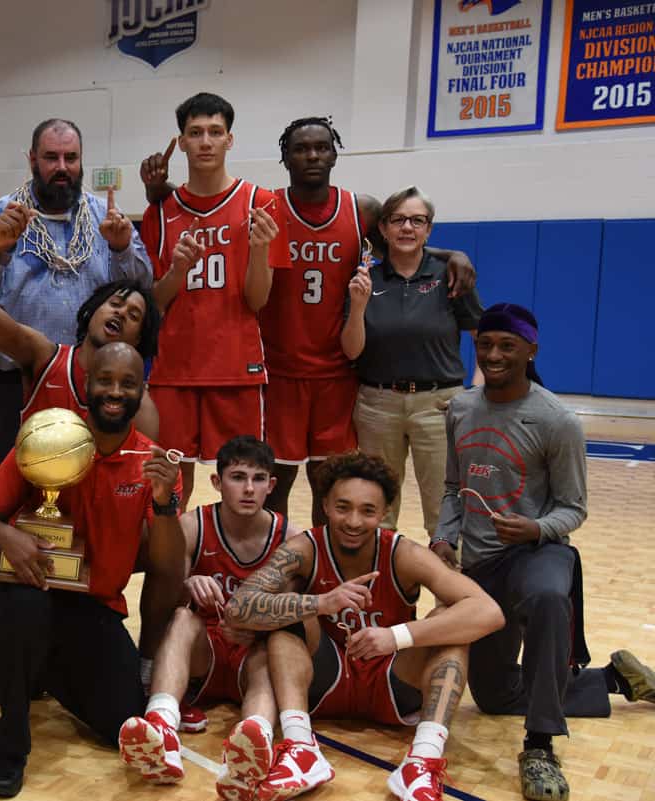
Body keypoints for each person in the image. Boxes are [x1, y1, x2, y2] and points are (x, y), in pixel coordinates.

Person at [140, 117, 476, 526]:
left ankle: (323, 568)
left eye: (321, 147)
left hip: (338, 374)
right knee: (274, 487)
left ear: (335, 153)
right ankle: (273, 568)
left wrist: (447, 254)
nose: (312, 155)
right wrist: (160, 191)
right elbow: (211, 204)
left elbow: (403, 237)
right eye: (301, 148)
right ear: (284, 157)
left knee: (329, 484)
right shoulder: (266, 206)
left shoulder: (361, 209)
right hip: (279, 375)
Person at [434, 303, 655, 801]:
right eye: (485, 344)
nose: (493, 354)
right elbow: (453, 487)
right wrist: (443, 536)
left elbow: (573, 509)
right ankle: (613, 679)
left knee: (549, 599)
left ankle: (540, 746)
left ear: (531, 350)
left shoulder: (557, 420)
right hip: (481, 561)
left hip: (539, 551)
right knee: (492, 697)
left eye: (506, 346)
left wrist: (535, 529)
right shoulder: (462, 409)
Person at [0, 343, 184, 798]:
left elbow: (167, 566)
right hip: (33, 581)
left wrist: (165, 504)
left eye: (127, 383)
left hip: (95, 603)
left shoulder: (152, 464)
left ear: (143, 392)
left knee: (122, 720)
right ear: (86, 384)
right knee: (26, 607)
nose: (115, 392)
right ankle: (12, 740)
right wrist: (9, 538)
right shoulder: (47, 437)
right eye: (105, 380)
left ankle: (37, 665)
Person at [224, 452, 505, 801]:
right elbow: (238, 608)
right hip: (326, 680)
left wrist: (395, 636)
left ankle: (422, 761)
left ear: (385, 512)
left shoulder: (404, 554)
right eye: (343, 507)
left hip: (392, 679)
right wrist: (320, 602)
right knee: (289, 615)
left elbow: (489, 612)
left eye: (367, 511)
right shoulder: (305, 548)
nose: (354, 521)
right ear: (325, 504)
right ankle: (300, 748)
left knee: (450, 626)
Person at [0, 117, 152, 475]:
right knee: (8, 495)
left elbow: (143, 292)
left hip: (89, 383)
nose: (62, 168)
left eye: (71, 158)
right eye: (51, 157)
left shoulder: (104, 216)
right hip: (13, 384)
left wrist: (122, 248)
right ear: (32, 159)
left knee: (87, 492)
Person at [119, 435, 301, 801]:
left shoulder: (290, 538)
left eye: (258, 478)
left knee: (275, 649)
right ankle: (163, 727)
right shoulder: (193, 525)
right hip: (205, 655)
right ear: (217, 482)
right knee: (183, 620)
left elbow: (297, 614)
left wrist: (262, 620)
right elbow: (164, 588)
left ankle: (255, 742)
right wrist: (189, 582)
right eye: (237, 477)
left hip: (252, 656)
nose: (248, 489)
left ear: (272, 485)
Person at [139, 92, 286, 506]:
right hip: (174, 370)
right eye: (196, 132)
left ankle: (242, 569)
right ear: (181, 142)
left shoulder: (262, 204)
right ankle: (170, 572)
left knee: (243, 488)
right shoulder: (160, 211)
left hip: (236, 369)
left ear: (230, 140)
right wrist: (178, 273)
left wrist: (258, 251)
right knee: (166, 491)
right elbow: (154, 303)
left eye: (215, 132)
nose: (206, 141)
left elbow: (258, 300)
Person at [342, 186, 483, 538]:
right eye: (399, 220)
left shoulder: (450, 275)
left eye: (417, 220)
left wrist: (476, 395)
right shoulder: (365, 279)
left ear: (429, 229)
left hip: (439, 406)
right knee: (377, 511)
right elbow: (351, 352)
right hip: (377, 405)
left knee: (443, 513)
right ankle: (381, 592)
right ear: (385, 228)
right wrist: (357, 307)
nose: (408, 228)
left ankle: (452, 595)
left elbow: (484, 338)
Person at [0, 275, 161, 436]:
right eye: (115, 304)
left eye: (134, 315)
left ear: (138, 339)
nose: (121, 313)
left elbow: (143, 478)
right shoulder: (44, 356)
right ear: (93, 310)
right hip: (36, 481)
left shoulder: (140, 406)